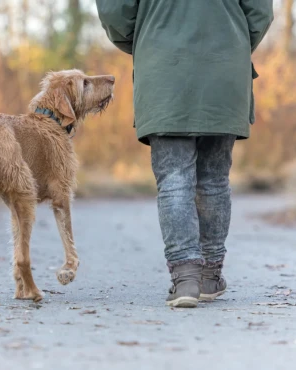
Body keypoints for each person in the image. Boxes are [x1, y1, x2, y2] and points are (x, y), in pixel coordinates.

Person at [95, 0, 273, 308]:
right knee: (215, 179)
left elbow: (114, 11)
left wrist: (149, 38)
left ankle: (185, 279)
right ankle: (209, 276)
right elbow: (260, 13)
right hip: (224, 66)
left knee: (174, 178)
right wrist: (234, 41)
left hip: (163, 67)